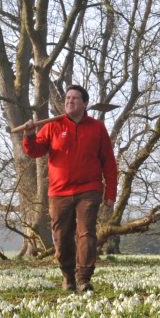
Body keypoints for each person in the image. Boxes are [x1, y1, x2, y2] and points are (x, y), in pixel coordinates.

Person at [20, 84, 118, 292]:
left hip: (89, 190)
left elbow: (109, 162)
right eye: (67, 99)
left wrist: (110, 193)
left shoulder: (97, 128)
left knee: (86, 233)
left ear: (85, 103)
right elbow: (34, 151)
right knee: (62, 237)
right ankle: (68, 276)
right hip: (59, 192)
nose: (69, 101)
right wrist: (29, 135)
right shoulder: (52, 126)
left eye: (75, 98)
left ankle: (83, 278)